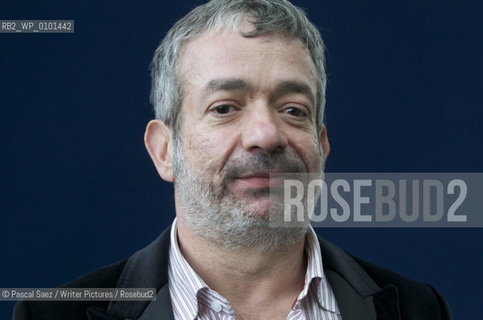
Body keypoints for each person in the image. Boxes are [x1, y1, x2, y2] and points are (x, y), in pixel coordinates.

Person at [13, 0, 452, 319]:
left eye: (293, 110)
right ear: (164, 150)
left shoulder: (418, 309)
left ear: (321, 145)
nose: (265, 135)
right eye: (224, 107)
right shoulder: (51, 316)